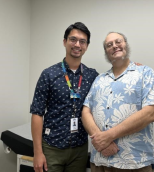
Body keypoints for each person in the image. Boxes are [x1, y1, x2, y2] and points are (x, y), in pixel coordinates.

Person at [82, 32, 154, 172]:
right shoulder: (99, 79)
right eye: (109, 45)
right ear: (106, 52)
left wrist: (109, 136)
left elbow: (149, 114)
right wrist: (102, 142)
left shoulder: (145, 73)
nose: (114, 46)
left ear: (126, 44)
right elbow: (86, 111)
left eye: (118, 41)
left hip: (134, 162)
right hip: (99, 161)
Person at [30, 22, 99, 172]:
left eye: (82, 41)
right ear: (64, 42)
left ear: (86, 46)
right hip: (52, 147)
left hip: (79, 149)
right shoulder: (49, 74)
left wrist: (129, 66)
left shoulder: (92, 76)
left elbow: (112, 81)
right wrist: (37, 152)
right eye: (73, 39)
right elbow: (37, 113)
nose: (77, 44)